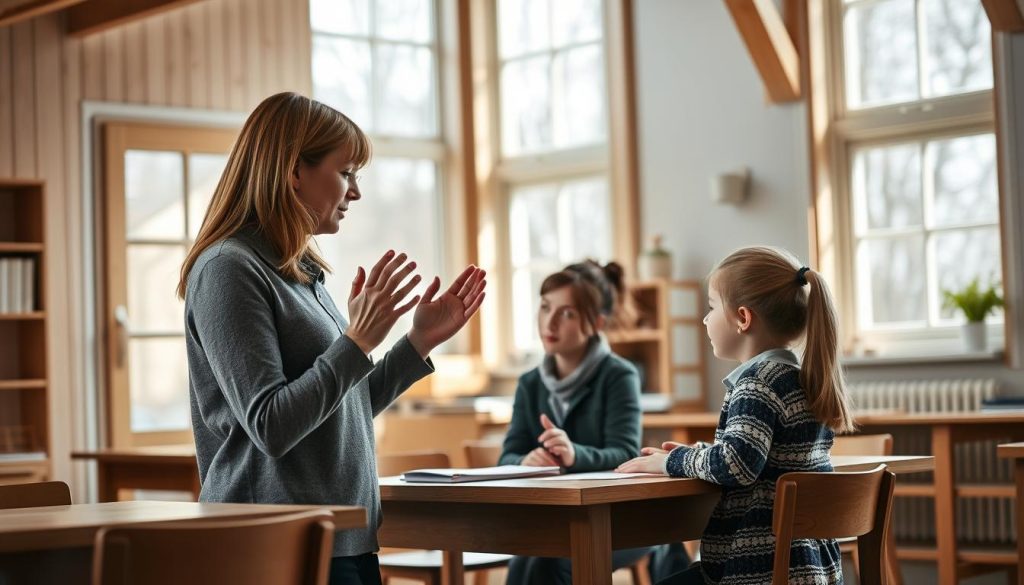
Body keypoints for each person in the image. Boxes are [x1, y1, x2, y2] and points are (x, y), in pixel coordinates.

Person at [177, 92, 486, 585]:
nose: (355, 192)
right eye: (346, 173)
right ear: (294, 170)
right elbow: (272, 425)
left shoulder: (298, 271)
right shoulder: (227, 270)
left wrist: (416, 344)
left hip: (344, 536)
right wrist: (357, 341)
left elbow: (343, 405)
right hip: (274, 544)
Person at [617, 246, 854, 585]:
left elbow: (738, 465)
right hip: (808, 568)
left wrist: (672, 463)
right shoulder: (800, 379)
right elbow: (767, 457)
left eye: (712, 307)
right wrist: (696, 454)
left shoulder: (757, 382)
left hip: (757, 570)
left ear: (743, 318)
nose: (704, 319)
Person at [499, 260, 672, 585]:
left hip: (620, 521)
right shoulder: (529, 383)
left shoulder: (619, 375)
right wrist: (525, 461)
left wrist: (574, 455)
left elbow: (625, 454)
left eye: (567, 313)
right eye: (545, 307)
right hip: (553, 520)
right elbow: (506, 458)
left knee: (548, 565)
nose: (549, 321)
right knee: (525, 560)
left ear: (596, 323)